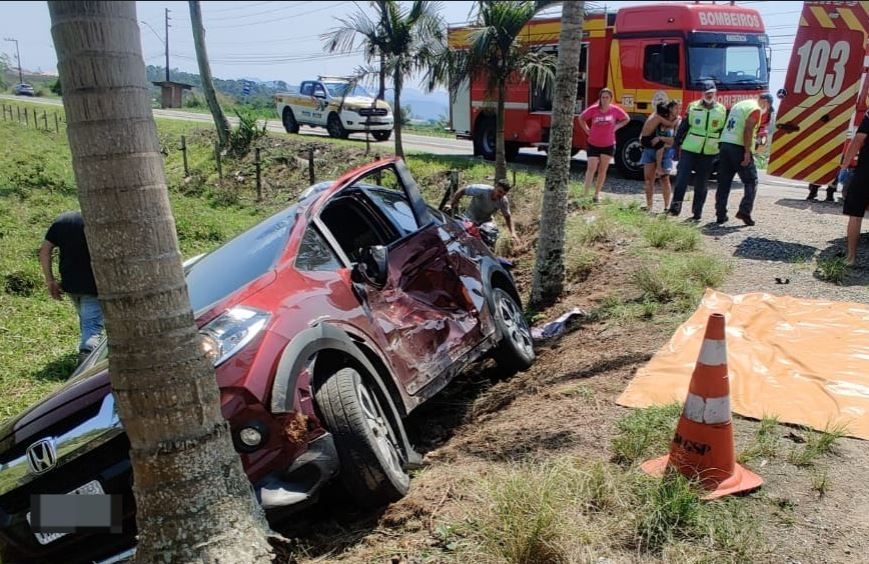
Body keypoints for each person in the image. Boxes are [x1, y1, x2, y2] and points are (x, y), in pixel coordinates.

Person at [39, 211, 104, 365]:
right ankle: (86, 365)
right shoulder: (100, 220)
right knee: (92, 328)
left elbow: (44, 251)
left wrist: (50, 280)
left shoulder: (63, 220)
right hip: (94, 285)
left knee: (86, 321)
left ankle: (90, 355)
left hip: (70, 284)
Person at [668, 81, 727, 220]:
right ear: (702, 93)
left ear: (715, 93)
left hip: (709, 152)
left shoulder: (721, 110)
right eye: (706, 93)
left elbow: (722, 130)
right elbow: (684, 126)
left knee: (702, 183)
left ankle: (697, 211)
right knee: (681, 179)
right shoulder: (693, 107)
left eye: (711, 93)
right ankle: (675, 207)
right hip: (690, 149)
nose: (709, 95)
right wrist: (675, 145)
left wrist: (721, 149)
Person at [714, 93, 770, 226]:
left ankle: (720, 214)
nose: (766, 109)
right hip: (738, 147)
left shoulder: (740, 105)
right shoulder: (755, 109)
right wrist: (746, 151)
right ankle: (744, 211)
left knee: (724, 182)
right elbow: (748, 129)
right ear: (766, 102)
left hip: (725, 144)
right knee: (751, 180)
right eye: (768, 106)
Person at [577, 87, 630, 203]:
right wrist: (587, 130)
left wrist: (616, 127)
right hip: (593, 143)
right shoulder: (594, 109)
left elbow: (626, 119)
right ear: (600, 98)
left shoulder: (615, 110)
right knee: (591, 168)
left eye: (607, 97)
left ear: (611, 99)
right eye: (603, 97)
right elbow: (581, 118)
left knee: (602, 170)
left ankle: (596, 194)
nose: (604, 99)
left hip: (608, 144)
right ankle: (585, 194)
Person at [838, 108, 869, 266]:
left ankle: (850, 258)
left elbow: (858, 139)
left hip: (866, 172)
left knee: (856, 216)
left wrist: (844, 165)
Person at [444, 179, 519, 243]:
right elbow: (462, 190)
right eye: (499, 191)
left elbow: (507, 216)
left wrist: (513, 233)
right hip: (470, 217)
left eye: (503, 194)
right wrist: (452, 204)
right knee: (463, 234)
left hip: (485, 221)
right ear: (495, 187)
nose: (500, 195)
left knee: (492, 235)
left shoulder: (503, 201)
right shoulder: (482, 190)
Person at [639, 100, 679, 211]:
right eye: (675, 108)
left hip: (664, 151)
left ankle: (666, 207)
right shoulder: (658, 117)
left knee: (665, 179)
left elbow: (674, 141)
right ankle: (649, 206)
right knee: (648, 179)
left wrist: (660, 138)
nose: (676, 111)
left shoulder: (677, 121)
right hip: (649, 149)